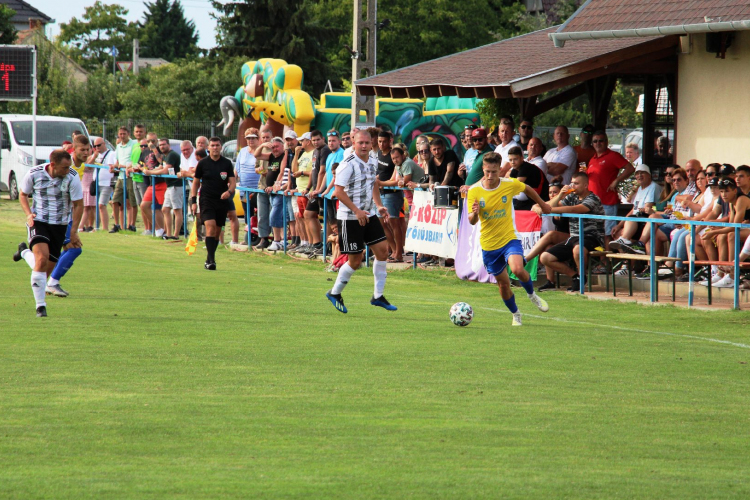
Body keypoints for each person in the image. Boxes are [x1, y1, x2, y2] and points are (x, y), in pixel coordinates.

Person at [467, 152, 551, 326]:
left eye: (494, 172)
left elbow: (527, 188)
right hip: (489, 244)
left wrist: (543, 204)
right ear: (483, 169)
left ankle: (532, 295)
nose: (490, 176)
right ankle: (516, 313)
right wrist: (475, 213)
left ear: (501, 170)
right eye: (487, 171)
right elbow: (472, 220)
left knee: (518, 269)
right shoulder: (474, 190)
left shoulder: (509, 184)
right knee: (503, 285)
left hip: (509, 238)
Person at [325, 130, 397, 314]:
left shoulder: (372, 160)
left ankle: (378, 296)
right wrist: (356, 211)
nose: (364, 146)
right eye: (360, 143)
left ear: (371, 143)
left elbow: (372, 182)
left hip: (369, 214)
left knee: (383, 251)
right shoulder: (346, 165)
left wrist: (379, 205)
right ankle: (334, 293)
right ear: (353, 144)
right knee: (355, 261)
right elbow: (338, 192)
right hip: (350, 218)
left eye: (367, 142)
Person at [13, 149, 83, 317]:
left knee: (44, 270)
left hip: (60, 225)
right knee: (42, 258)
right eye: (64, 168)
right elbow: (23, 194)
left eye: (69, 167)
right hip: (39, 221)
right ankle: (40, 307)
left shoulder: (72, 177)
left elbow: (79, 205)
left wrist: (73, 231)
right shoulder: (34, 174)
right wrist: (29, 214)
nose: (67, 171)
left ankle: (24, 252)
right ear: (53, 165)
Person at [537, 172, 605, 292]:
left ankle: (581, 276)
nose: (573, 185)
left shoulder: (593, 198)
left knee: (578, 249)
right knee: (545, 257)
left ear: (585, 185)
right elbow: (553, 205)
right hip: (574, 237)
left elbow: (574, 209)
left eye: (576, 183)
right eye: (572, 182)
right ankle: (576, 277)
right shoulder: (571, 196)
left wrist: (545, 209)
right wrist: (559, 195)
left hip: (594, 239)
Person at [190, 137, 235, 270]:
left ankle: (209, 257)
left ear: (221, 147)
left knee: (217, 231)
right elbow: (196, 183)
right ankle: (211, 261)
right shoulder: (203, 163)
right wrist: (193, 201)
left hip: (221, 201)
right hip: (206, 199)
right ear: (208, 148)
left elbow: (232, 182)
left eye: (217, 145)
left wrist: (229, 191)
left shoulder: (226, 163)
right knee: (210, 226)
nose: (215, 148)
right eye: (212, 146)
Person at [586, 131, 635, 246]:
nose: (598, 143)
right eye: (595, 141)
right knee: (596, 234)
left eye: (601, 140)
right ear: (592, 144)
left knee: (608, 234)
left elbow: (630, 168)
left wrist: (617, 180)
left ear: (606, 142)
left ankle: (610, 262)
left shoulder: (613, 156)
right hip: (593, 203)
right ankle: (602, 261)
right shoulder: (592, 159)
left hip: (607, 201)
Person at [525, 182, 570, 291]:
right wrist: (538, 207)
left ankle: (526, 259)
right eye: (550, 192)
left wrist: (542, 206)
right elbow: (536, 206)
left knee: (550, 235)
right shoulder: (553, 203)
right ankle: (550, 281)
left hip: (572, 236)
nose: (552, 195)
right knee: (547, 247)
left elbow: (547, 207)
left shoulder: (565, 203)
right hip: (560, 238)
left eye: (555, 192)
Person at [610, 164, 662, 252]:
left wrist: (638, 211)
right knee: (617, 233)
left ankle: (625, 240)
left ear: (649, 175)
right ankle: (627, 263)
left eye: (642, 173)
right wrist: (619, 225)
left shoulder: (653, 186)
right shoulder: (640, 189)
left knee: (627, 230)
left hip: (646, 220)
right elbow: (633, 210)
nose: (639, 175)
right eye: (637, 173)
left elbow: (647, 208)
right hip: (637, 220)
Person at [254, 137, 288, 251]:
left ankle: (278, 240)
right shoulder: (271, 156)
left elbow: (282, 172)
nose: (275, 149)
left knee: (275, 216)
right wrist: (262, 146)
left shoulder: (284, 156)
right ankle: (280, 240)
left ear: (283, 146)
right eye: (273, 147)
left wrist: (275, 185)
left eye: (277, 147)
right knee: (274, 216)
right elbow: (257, 155)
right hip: (271, 191)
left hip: (279, 190)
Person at [110, 126, 139, 233]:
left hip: (130, 177)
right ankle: (117, 224)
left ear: (128, 134)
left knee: (132, 201)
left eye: (124, 134)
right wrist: (114, 166)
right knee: (115, 200)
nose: (122, 136)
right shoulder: (118, 146)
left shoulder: (134, 144)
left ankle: (132, 225)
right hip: (121, 177)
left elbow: (134, 160)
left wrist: (124, 166)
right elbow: (117, 162)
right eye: (120, 134)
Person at [235, 129, 260, 245]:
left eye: (253, 138)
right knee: (247, 212)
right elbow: (237, 167)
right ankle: (248, 237)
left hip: (258, 188)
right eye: (248, 138)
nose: (250, 140)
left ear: (257, 138)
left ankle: (262, 236)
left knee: (260, 211)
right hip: (244, 188)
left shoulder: (261, 151)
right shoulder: (243, 151)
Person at [507, 146, 549, 211]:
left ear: (522, 158)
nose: (513, 162)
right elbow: (509, 186)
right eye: (510, 160)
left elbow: (515, 186)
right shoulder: (514, 170)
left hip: (540, 200)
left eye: (515, 159)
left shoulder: (526, 167)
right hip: (527, 200)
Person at [253, 127, 274, 249]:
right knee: (261, 214)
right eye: (264, 137)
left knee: (273, 214)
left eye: (268, 137)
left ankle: (275, 238)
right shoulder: (259, 151)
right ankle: (263, 238)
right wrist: (259, 170)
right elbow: (256, 167)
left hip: (272, 186)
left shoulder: (275, 149)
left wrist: (270, 172)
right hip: (262, 185)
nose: (266, 140)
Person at [91, 137, 115, 232]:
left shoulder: (111, 154)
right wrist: (94, 156)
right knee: (98, 205)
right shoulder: (96, 155)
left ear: (104, 144)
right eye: (95, 146)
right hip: (97, 182)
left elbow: (112, 167)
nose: (97, 147)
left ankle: (105, 228)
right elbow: (87, 166)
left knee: (102, 205)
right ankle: (98, 226)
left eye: (99, 145)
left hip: (107, 183)